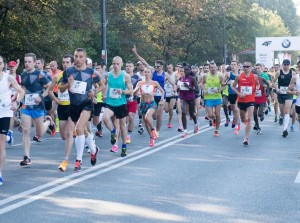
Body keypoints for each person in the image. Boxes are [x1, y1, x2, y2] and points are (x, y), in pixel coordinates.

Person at [60, 48, 105, 171]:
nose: (78, 59)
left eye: (80, 56)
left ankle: (78, 161)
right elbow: (61, 89)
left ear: (85, 58)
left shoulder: (91, 72)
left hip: (87, 103)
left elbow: (102, 86)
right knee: (84, 131)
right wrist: (68, 84)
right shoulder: (69, 71)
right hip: (74, 105)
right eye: (76, 56)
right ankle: (94, 150)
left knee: (79, 128)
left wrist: (94, 91)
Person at [19, 53, 56, 166]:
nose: (27, 64)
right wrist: (18, 100)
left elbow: (50, 86)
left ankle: (49, 121)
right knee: (26, 130)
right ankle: (26, 157)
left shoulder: (40, 74)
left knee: (39, 133)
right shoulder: (23, 75)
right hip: (26, 106)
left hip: (38, 106)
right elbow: (23, 88)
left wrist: (41, 96)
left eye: (29, 62)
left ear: (35, 63)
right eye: (25, 62)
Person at [48, 54, 75, 172]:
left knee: (69, 133)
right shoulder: (58, 76)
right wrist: (56, 99)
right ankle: (81, 136)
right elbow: (49, 91)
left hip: (73, 106)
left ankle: (65, 160)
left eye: (67, 62)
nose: (65, 64)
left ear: (72, 63)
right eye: (63, 62)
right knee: (64, 135)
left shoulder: (76, 76)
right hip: (62, 107)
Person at [0, 55, 25, 185]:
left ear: (3, 65)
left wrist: (17, 102)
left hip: (4, 112)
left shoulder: (8, 78)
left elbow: (21, 92)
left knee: (1, 144)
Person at [102, 56, 133, 157]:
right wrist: (103, 94)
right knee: (105, 118)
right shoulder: (108, 75)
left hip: (121, 104)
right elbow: (103, 85)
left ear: (121, 64)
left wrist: (123, 91)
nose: (115, 66)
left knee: (123, 127)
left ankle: (124, 147)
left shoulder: (126, 76)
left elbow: (131, 90)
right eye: (114, 63)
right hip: (110, 102)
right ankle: (113, 132)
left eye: (117, 64)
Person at [133, 67, 164, 147]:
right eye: (145, 72)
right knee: (146, 122)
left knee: (148, 117)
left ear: (151, 74)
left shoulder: (154, 83)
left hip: (151, 103)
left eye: (148, 72)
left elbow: (162, 91)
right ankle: (151, 137)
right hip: (143, 104)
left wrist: (161, 99)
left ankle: (153, 129)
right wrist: (136, 90)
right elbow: (134, 93)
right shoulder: (140, 83)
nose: (146, 74)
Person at [231, 61, 259, 145]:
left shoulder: (254, 76)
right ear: (242, 67)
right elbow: (232, 86)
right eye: (244, 66)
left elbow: (257, 85)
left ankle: (246, 138)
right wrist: (238, 93)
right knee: (243, 119)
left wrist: (257, 89)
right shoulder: (239, 76)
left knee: (249, 118)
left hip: (251, 100)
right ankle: (244, 122)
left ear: (251, 68)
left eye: (247, 66)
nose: (246, 68)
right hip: (241, 100)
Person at [202, 61, 226, 136]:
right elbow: (202, 83)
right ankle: (213, 118)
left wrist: (219, 90)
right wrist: (204, 89)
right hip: (208, 97)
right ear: (209, 68)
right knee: (210, 115)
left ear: (216, 67)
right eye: (211, 68)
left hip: (217, 97)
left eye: (214, 67)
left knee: (218, 114)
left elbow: (224, 86)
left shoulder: (220, 76)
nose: (213, 69)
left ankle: (216, 130)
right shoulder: (206, 76)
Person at [272, 59, 294, 137]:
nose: (286, 66)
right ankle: (281, 116)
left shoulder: (292, 73)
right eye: (284, 64)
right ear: (282, 64)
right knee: (282, 112)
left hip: (288, 93)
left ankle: (285, 129)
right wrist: (277, 89)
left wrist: (293, 89)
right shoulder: (279, 72)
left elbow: (295, 82)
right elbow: (273, 82)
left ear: (289, 65)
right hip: (280, 94)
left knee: (287, 111)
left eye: (287, 64)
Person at [178, 64, 199, 138]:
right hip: (183, 97)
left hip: (190, 98)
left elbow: (197, 90)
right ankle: (185, 131)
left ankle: (196, 123)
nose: (185, 71)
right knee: (183, 112)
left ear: (190, 71)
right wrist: (178, 88)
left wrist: (189, 87)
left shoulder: (192, 78)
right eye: (184, 70)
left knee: (191, 114)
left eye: (187, 70)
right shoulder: (181, 78)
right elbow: (178, 88)